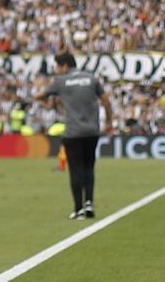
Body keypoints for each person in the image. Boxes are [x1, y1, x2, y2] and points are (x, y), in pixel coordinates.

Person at [41, 53, 114, 219]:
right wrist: (109, 122)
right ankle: (89, 203)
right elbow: (106, 101)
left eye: (58, 67)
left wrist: (49, 100)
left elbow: (41, 95)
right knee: (89, 167)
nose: (57, 70)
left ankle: (78, 209)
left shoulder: (61, 81)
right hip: (91, 131)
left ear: (65, 65)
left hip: (73, 133)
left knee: (75, 170)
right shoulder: (91, 78)